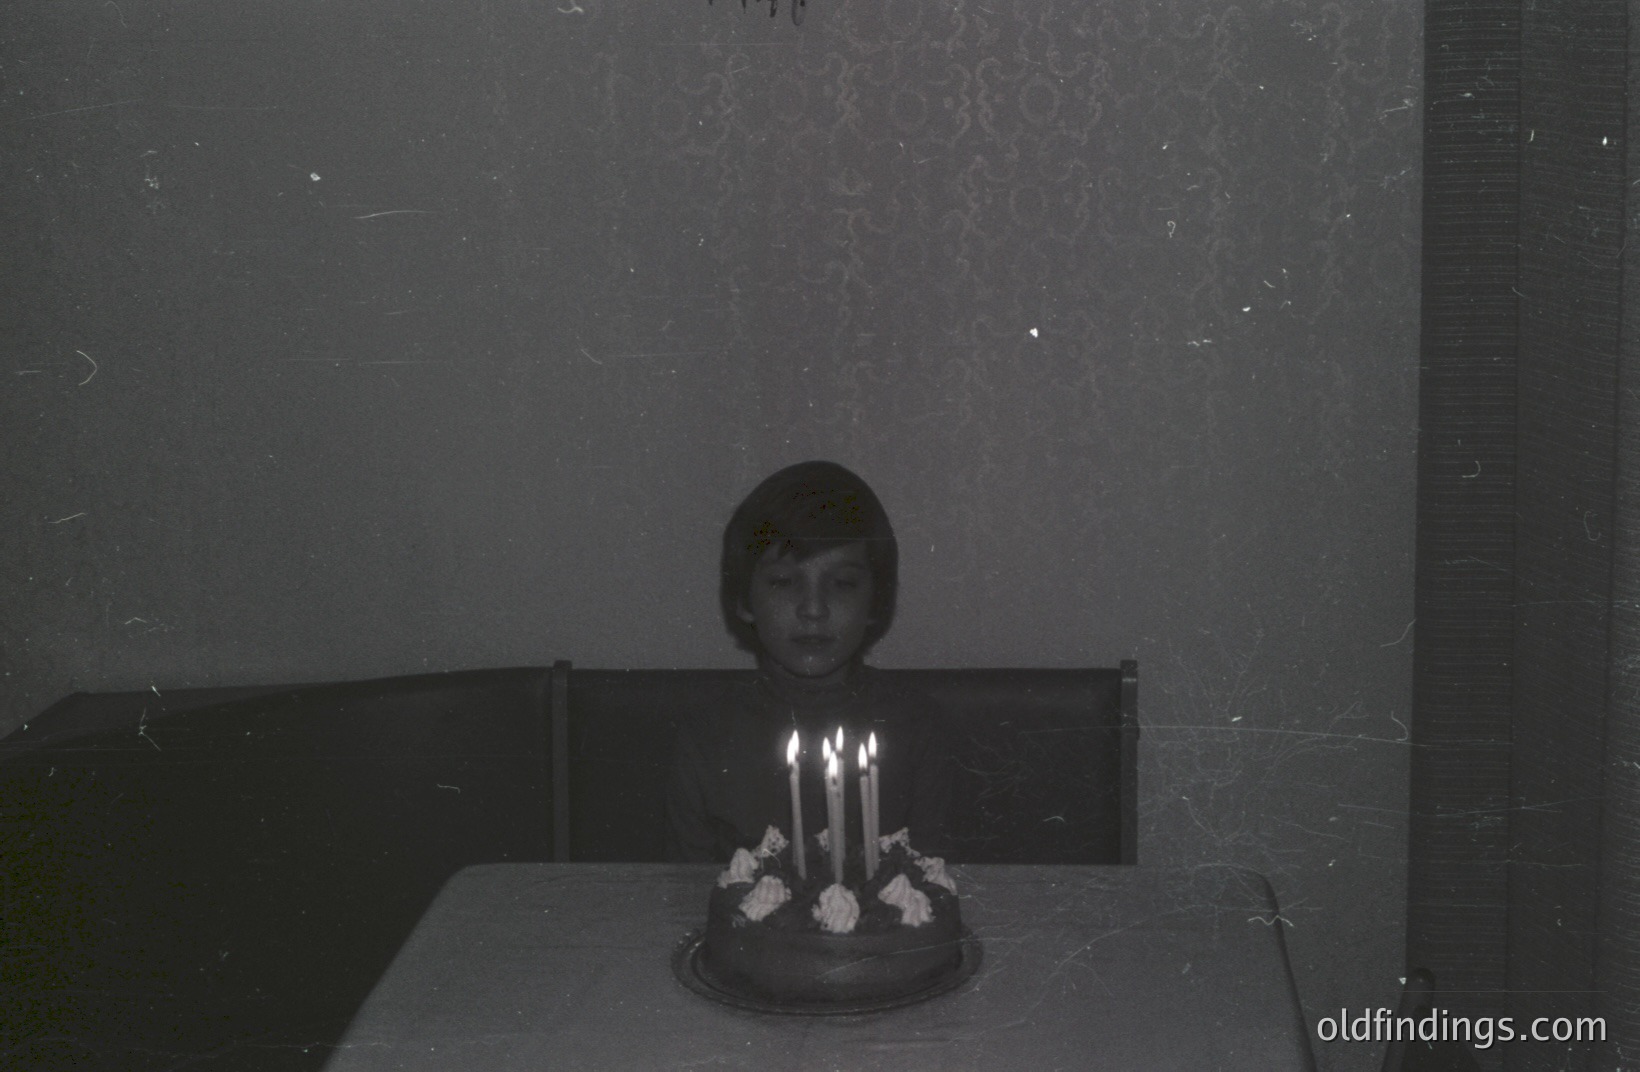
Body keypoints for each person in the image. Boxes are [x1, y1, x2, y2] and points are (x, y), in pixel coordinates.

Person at [665, 460, 954, 864]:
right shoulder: (705, 737)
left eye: (842, 584)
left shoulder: (916, 726)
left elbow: (932, 885)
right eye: (784, 582)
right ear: (744, 600)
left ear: (876, 600)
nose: (813, 609)